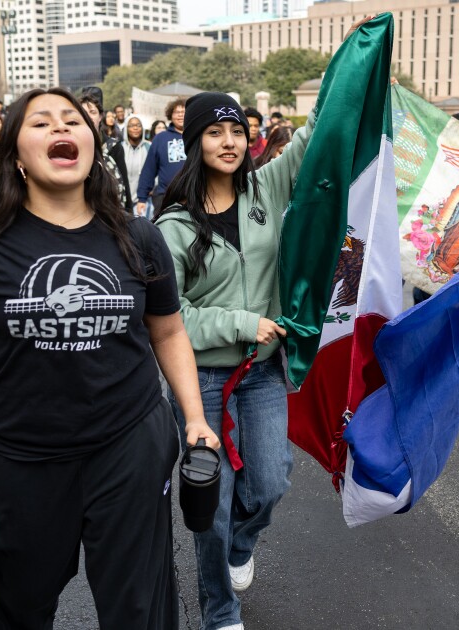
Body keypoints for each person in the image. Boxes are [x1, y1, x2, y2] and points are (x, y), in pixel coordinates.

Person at [0, 87, 219, 630]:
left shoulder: (139, 238)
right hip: (15, 463)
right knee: (21, 608)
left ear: (91, 143)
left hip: (128, 449)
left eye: (73, 120)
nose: (61, 128)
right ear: (15, 154)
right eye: (41, 123)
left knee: (140, 611)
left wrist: (195, 419)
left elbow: (170, 332)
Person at [154, 82, 333, 629]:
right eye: (214, 132)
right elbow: (168, 317)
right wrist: (239, 322)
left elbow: (312, 138)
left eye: (237, 130)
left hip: (260, 371)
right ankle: (220, 611)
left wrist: (353, 67)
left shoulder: (265, 188)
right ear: (195, 142)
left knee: (271, 481)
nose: (229, 141)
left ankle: (242, 544)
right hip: (199, 378)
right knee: (213, 501)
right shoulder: (173, 224)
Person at [79, 91, 132, 211]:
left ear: (100, 116)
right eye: (84, 113)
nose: (88, 116)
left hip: (111, 209)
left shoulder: (114, 146)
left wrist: (129, 213)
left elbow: (124, 183)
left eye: (93, 112)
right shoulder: (73, 147)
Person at [136, 97, 186, 215]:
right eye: (177, 112)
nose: (180, 115)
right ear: (170, 115)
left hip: (193, 196)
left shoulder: (197, 136)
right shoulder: (160, 138)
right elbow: (149, 169)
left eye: (184, 112)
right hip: (165, 197)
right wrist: (142, 198)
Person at [110, 114, 150, 215]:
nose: (135, 128)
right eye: (132, 125)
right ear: (126, 128)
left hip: (143, 201)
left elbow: (155, 169)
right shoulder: (119, 148)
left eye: (138, 125)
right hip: (122, 201)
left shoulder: (149, 147)